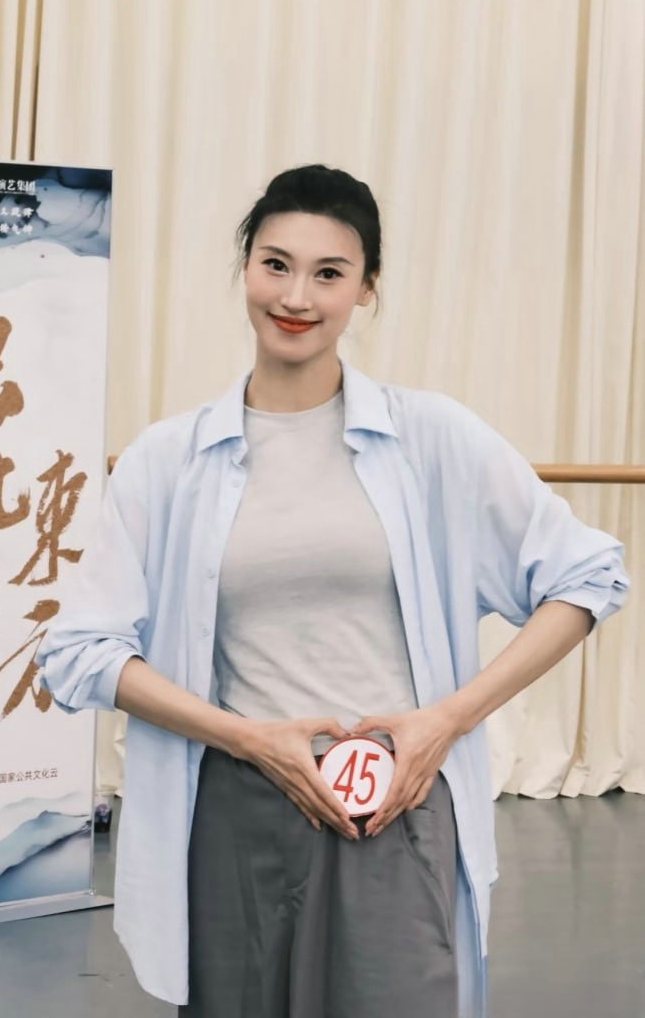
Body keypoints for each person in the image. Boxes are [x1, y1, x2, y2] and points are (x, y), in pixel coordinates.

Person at [36, 165, 628, 1018]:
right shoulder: (167, 461)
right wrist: (248, 738)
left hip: (394, 810)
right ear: (245, 267)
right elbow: (78, 653)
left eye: (329, 273)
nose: (296, 297)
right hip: (235, 813)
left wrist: (446, 720)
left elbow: (589, 575)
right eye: (275, 265)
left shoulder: (431, 438)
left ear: (366, 289)